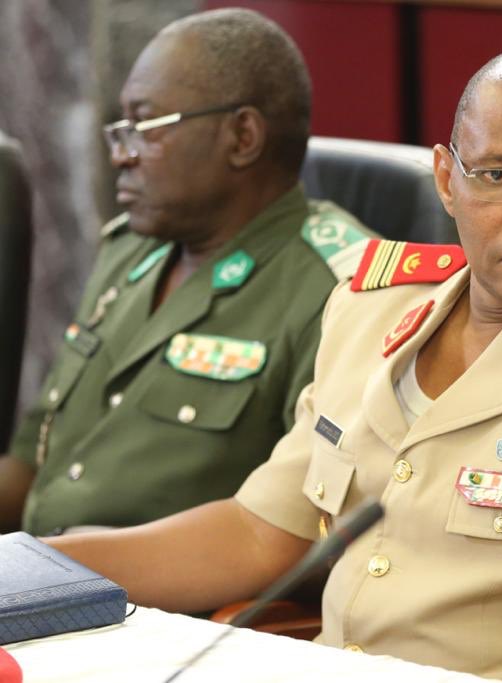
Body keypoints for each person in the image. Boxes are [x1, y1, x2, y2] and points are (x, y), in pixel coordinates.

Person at [46, 46, 502, 682]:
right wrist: (35, 567)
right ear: (447, 178)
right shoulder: (369, 306)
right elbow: (260, 531)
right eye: (497, 174)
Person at [0, 8, 374, 536]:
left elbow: (311, 529)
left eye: (146, 127)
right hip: (40, 567)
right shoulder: (130, 251)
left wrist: (63, 562)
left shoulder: (341, 292)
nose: (121, 156)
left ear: (242, 137)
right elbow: (33, 464)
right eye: (121, 130)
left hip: (164, 587)